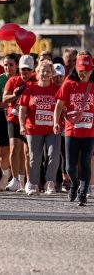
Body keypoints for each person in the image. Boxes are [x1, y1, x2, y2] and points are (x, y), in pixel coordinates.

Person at [54, 54, 94, 206]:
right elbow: (58, 105)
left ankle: (83, 192)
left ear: (91, 70)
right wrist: (55, 123)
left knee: (85, 161)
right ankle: (75, 183)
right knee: (69, 166)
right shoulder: (69, 84)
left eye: (86, 70)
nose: (83, 73)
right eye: (80, 70)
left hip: (89, 130)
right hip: (71, 129)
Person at [19, 60, 61, 195]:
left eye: (48, 71)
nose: (45, 74)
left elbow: (62, 108)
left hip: (52, 129)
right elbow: (22, 109)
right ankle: (33, 184)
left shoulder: (57, 89)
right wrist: (21, 125)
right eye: (42, 71)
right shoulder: (30, 87)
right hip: (33, 128)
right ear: (37, 73)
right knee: (34, 157)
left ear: (52, 75)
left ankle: (50, 183)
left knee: (53, 154)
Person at [1, 55, 36, 192]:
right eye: (22, 69)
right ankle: (15, 180)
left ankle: (28, 182)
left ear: (32, 70)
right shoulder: (13, 80)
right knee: (14, 148)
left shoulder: (36, 81)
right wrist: (16, 94)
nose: (25, 72)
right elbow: (4, 99)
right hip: (14, 118)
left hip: (30, 121)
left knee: (28, 152)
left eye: (28, 69)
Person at [0, 53, 18, 191]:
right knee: (2, 155)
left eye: (11, 65)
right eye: (5, 65)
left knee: (16, 150)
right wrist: (10, 103)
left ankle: (18, 179)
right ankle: (6, 172)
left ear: (17, 65)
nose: (8, 68)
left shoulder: (22, 79)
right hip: (1, 117)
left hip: (17, 118)